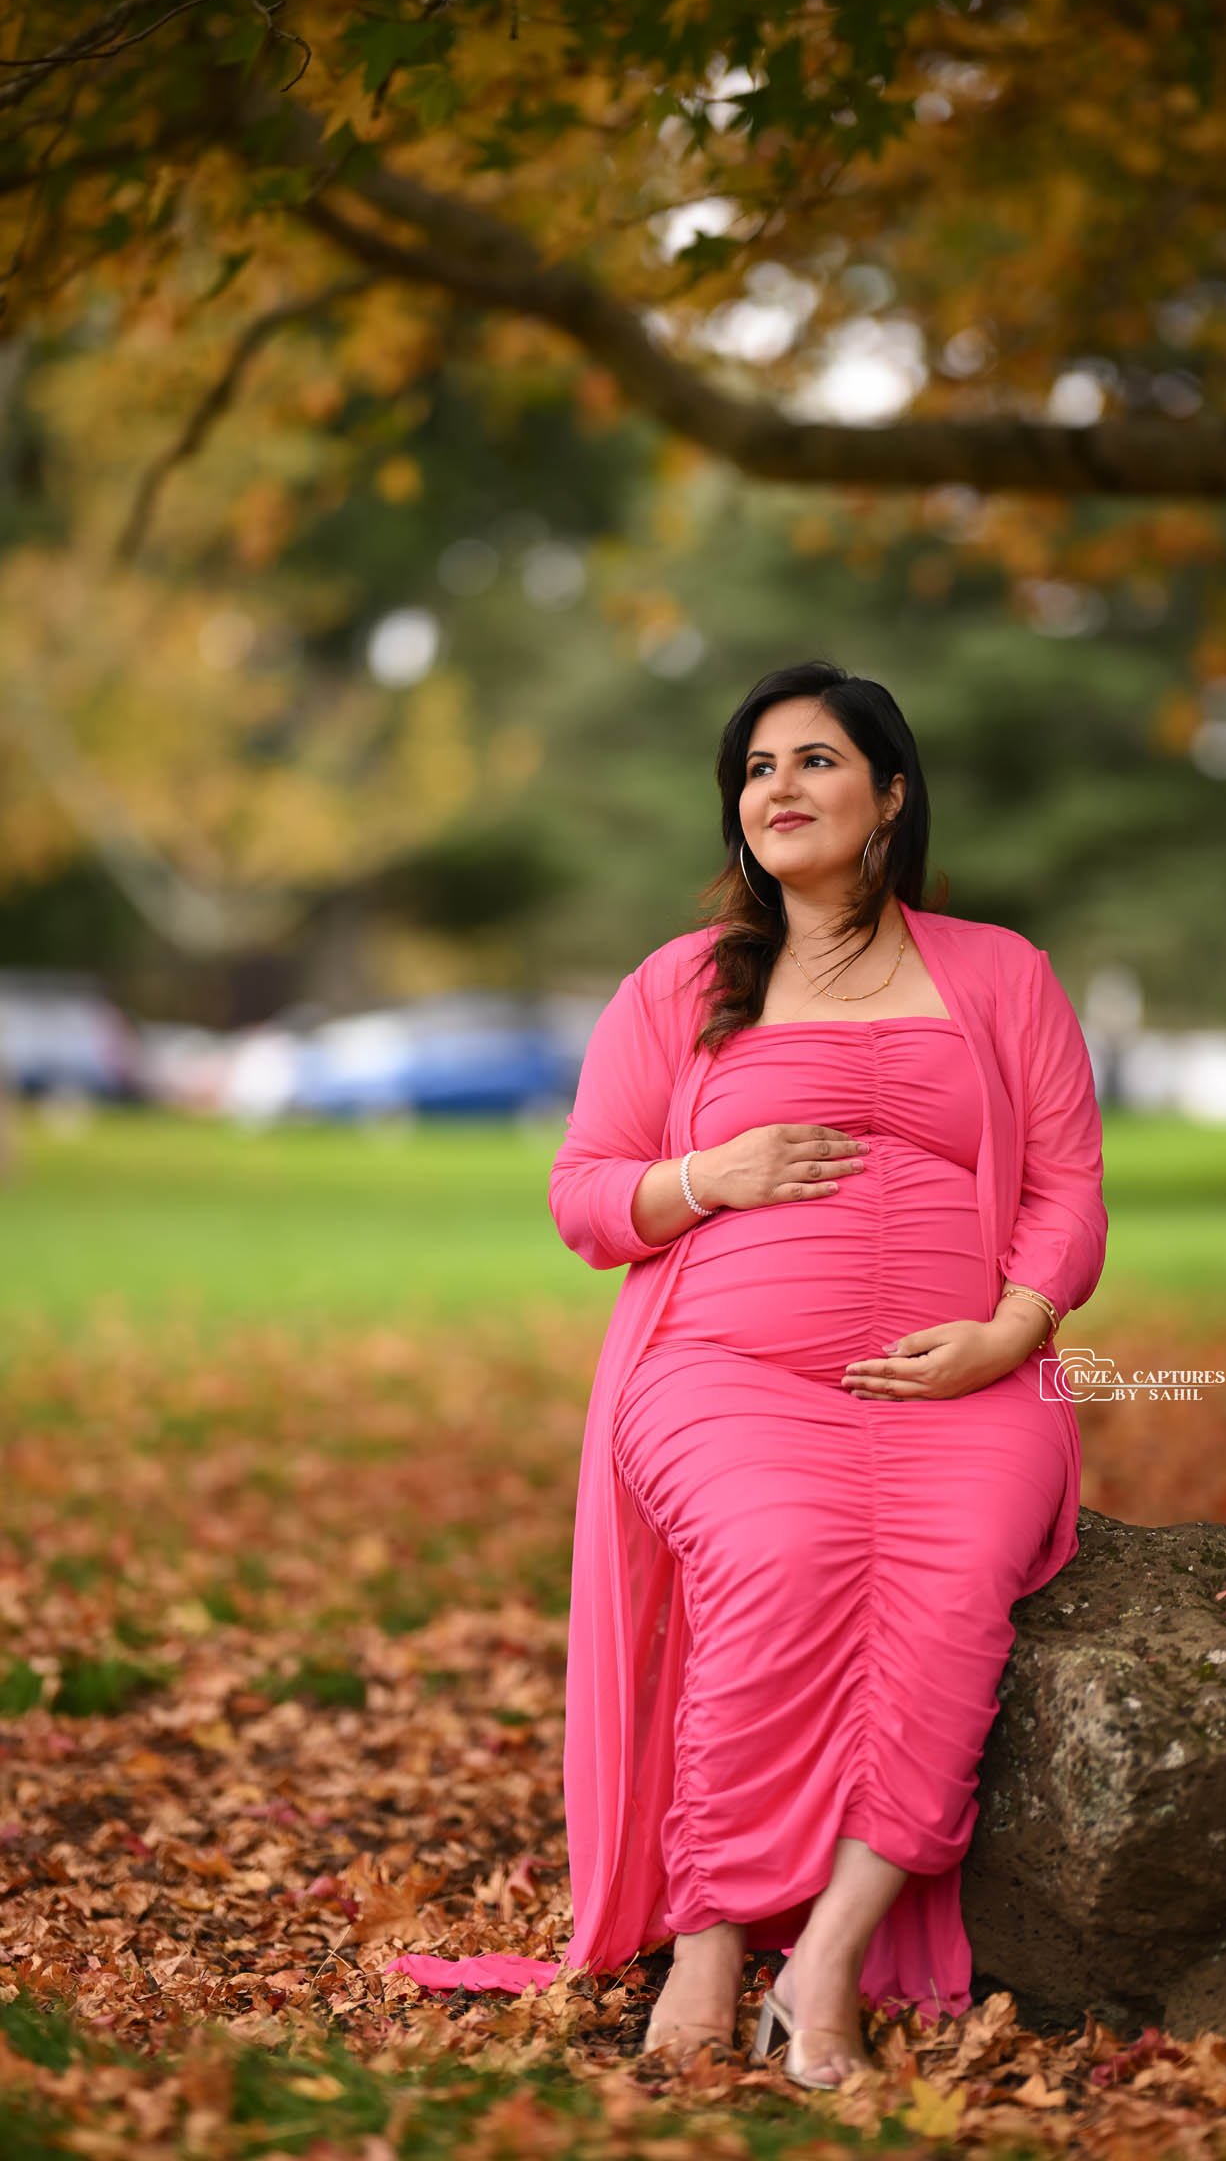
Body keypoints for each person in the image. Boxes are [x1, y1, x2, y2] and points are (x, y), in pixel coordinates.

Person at [389, 662, 1108, 2089]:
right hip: (724, 1367)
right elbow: (587, 1195)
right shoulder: (681, 985)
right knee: (780, 1554)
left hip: (961, 1374)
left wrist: (1010, 1333)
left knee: (958, 1573)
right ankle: (712, 1934)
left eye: (817, 761)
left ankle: (828, 1962)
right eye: (758, 766)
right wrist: (703, 1174)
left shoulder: (1000, 972)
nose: (779, 786)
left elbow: (1070, 1188)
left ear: (891, 795)